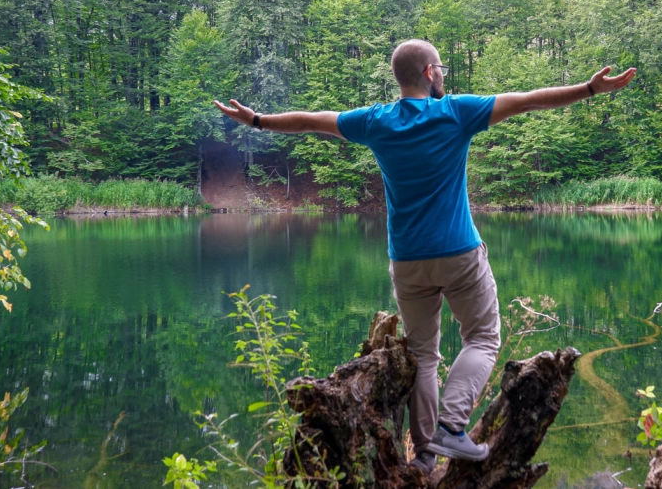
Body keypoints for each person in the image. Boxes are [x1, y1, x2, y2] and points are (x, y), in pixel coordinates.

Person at [214, 39, 635, 472]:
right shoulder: (456, 112)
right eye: (443, 68)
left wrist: (258, 120)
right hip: (458, 253)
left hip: (408, 260)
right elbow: (527, 101)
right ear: (431, 72)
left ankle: (425, 456)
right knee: (483, 338)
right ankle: (451, 429)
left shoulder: (376, 122)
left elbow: (312, 122)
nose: (445, 75)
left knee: (423, 356)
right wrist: (588, 89)